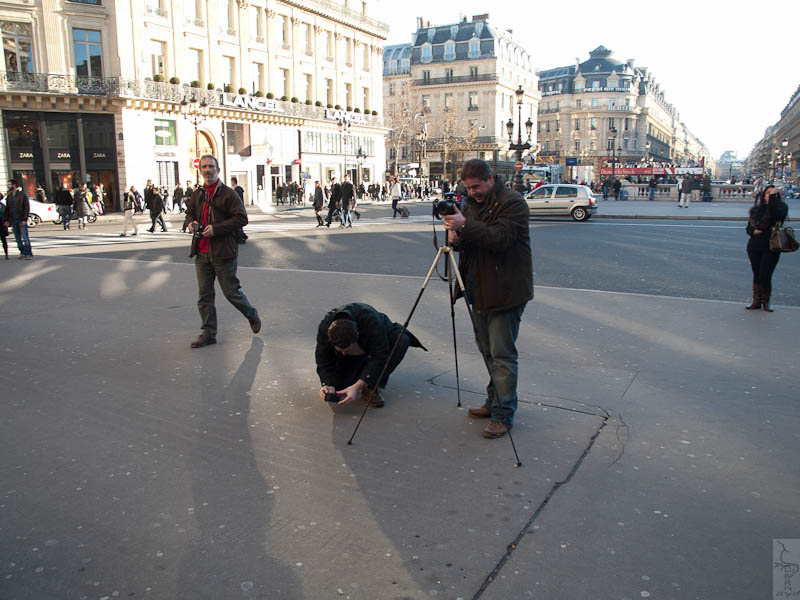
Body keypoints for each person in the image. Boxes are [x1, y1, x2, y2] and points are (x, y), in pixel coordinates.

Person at [441, 159, 533, 439]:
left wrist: (465, 225)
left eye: (476, 187)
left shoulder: (513, 202)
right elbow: (473, 240)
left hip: (506, 291)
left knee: (502, 354)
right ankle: (494, 401)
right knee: (487, 351)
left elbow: (500, 238)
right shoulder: (472, 204)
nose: (472, 193)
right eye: (468, 188)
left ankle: (503, 415)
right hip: (478, 288)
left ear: (490, 179)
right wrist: (457, 238)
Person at [185, 154, 261, 348]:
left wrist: (216, 229)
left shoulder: (228, 193)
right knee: (204, 295)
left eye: (211, 167)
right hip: (202, 252)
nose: (207, 170)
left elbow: (241, 218)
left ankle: (251, 313)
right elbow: (190, 214)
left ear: (218, 170)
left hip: (223, 252)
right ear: (200, 170)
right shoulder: (198, 193)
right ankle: (208, 333)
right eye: (204, 167)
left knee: (231, 292)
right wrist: (191, 224)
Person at [315, 302, 426, 408]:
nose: (343, 353)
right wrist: (327, 384)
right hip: (358, 352)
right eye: (340, 350)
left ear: (357, 335)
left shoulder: (371, 320)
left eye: (346, 350)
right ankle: (363, 370)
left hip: (380, 341)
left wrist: (358, 385)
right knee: (339, 387)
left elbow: (380, 355)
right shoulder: (325, 327)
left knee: (402, 340)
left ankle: (371, 386)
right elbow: (323, 360)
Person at [745, 185, 788, 313]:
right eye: (768, 193)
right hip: (754, 245)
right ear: (764, 195)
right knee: (757, 273)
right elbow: (748, 227)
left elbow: (777, 216)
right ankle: (756, 301)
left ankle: (766, 302)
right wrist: (753, 231)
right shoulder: (756, 210)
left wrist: (773, 200)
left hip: (771, 246)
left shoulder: (780, 208)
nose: (770, 195)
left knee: (765, 274)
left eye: (773, 194)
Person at [4, 179, 33, 259]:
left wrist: (25, 218)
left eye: (9, 184)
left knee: (25, 237)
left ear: (14, 185)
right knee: (17, 237)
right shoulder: (9, 196)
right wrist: (6, 220)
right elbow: (7, 208)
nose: (8, 186)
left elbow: (26, 207)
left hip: (21, 218)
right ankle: (22, 252)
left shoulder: (22, 195)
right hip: (13, 219)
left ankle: (28, 253)